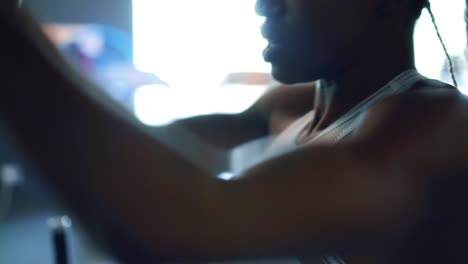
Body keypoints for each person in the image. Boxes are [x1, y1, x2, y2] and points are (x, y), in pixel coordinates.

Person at [1, 0, 468, 263]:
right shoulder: (290, 108)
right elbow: (149, 160)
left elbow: (187, 222)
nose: (263, 4)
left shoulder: (432, 126)